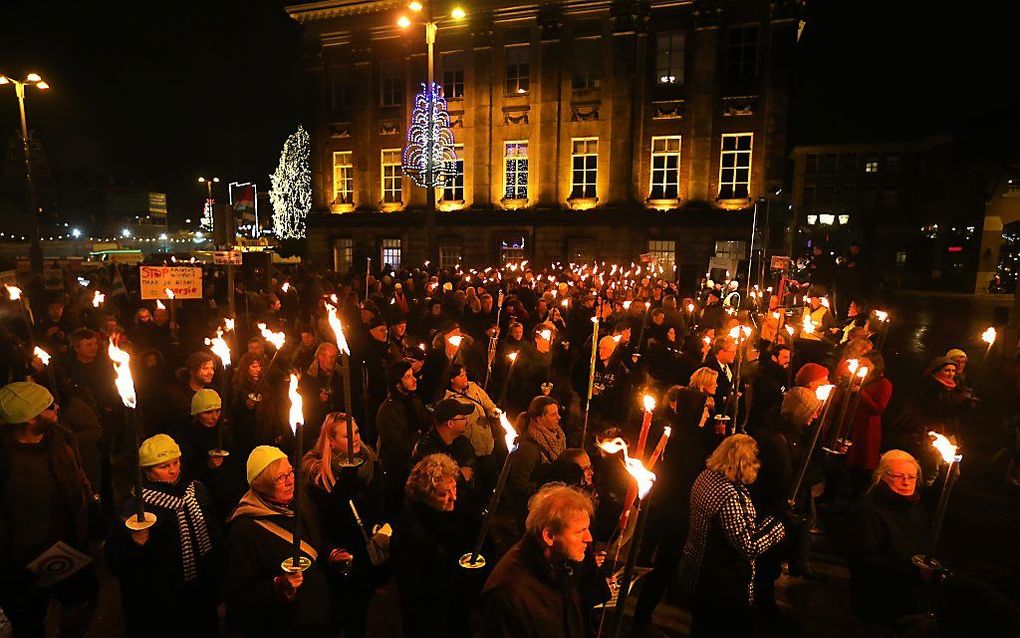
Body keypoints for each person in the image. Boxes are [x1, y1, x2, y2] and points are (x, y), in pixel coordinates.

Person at [0, 381, 98, 637]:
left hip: (69, 547)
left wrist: (91, 503)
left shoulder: (61, 436)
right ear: (29, 420)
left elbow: (78, 474)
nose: (56, 407)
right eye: (46, 407)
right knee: (29, 622)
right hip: (24, 561)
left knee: (83, 599)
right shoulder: (5, 460)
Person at [106, 434, 222, 635]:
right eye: (163, 466)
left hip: (201, 591)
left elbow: (215, 533)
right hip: (163, 601)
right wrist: (136, 545)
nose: (173, 470)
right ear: (147, 471)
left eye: (176, 462)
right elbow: (114, 562)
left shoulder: (196, 491)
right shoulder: (135, 508)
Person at [678, 434, 785, 637]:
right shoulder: (729, 495)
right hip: (718, 585)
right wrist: (778, 525)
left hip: (695, 571)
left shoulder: (705, 477)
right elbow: (747, 545)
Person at [224, 446, 331, 636]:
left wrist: (331, 553)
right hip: (283, 626)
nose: (291, 480)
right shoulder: (245, 529)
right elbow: (239, 595)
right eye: (281, 478)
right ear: (262, 484)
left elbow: (314, 543)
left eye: (290, 472)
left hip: (315, 618)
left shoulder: (301, 501)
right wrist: (278, 587)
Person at [302, 413, 383, 638]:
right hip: (338, 560)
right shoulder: (320, 475)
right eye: (347, 435)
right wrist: (331, 551)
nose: (356, 438)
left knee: (360, 617)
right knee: (338, 617)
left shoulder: (369, 462)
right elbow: (318, 522)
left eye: (356, 432)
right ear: (331, 440)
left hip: (365, 554)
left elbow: (377, 506)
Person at [482, 484, 597, 638]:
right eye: (579, 531)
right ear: (549, 536)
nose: (588, 538)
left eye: (587, 529)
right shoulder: (510, 593)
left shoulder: (562, 561)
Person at [390, 454, 478, 638]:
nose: (453, 497)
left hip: (460, 610)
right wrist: (459, 575)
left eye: (454, 488)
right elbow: (416, 585)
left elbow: (481, 540)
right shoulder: (411, 529)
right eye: (443, 493)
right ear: (426, 495)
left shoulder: (461, 509)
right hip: (430, 619)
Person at [376, 360, 430, 517]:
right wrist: (420, 435)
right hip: (399, 471)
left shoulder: (413, 400)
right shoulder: (388, 411)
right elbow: (398, 447)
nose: (414, 379)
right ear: (397, 383)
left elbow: (424, 421)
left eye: (412, 375)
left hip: (418, 463)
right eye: (407, 377)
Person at [844, 352, 893, 492]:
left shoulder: (884, 384)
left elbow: (878, 409)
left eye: (866, 364)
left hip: (866, 431)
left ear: (875, 366)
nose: (862, 367)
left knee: (860, 466)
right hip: (852, 426)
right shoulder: (861, 379)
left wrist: (861, 394)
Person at [442, 362, 502, 458]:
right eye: (461, 376)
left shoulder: (473, 387)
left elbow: (488, 404)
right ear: (452, 379)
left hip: (487, 442)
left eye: (465, 374)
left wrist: (493, 411)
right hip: (470, 448)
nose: (465, 378)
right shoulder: (449, 399)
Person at [412, 398, 477, 484]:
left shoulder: (463, 443)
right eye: (464, 417)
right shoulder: (426, 450)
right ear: (450, 423)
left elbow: (472, 472)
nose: (467, 421)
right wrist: (458, 476)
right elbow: (426, 485)